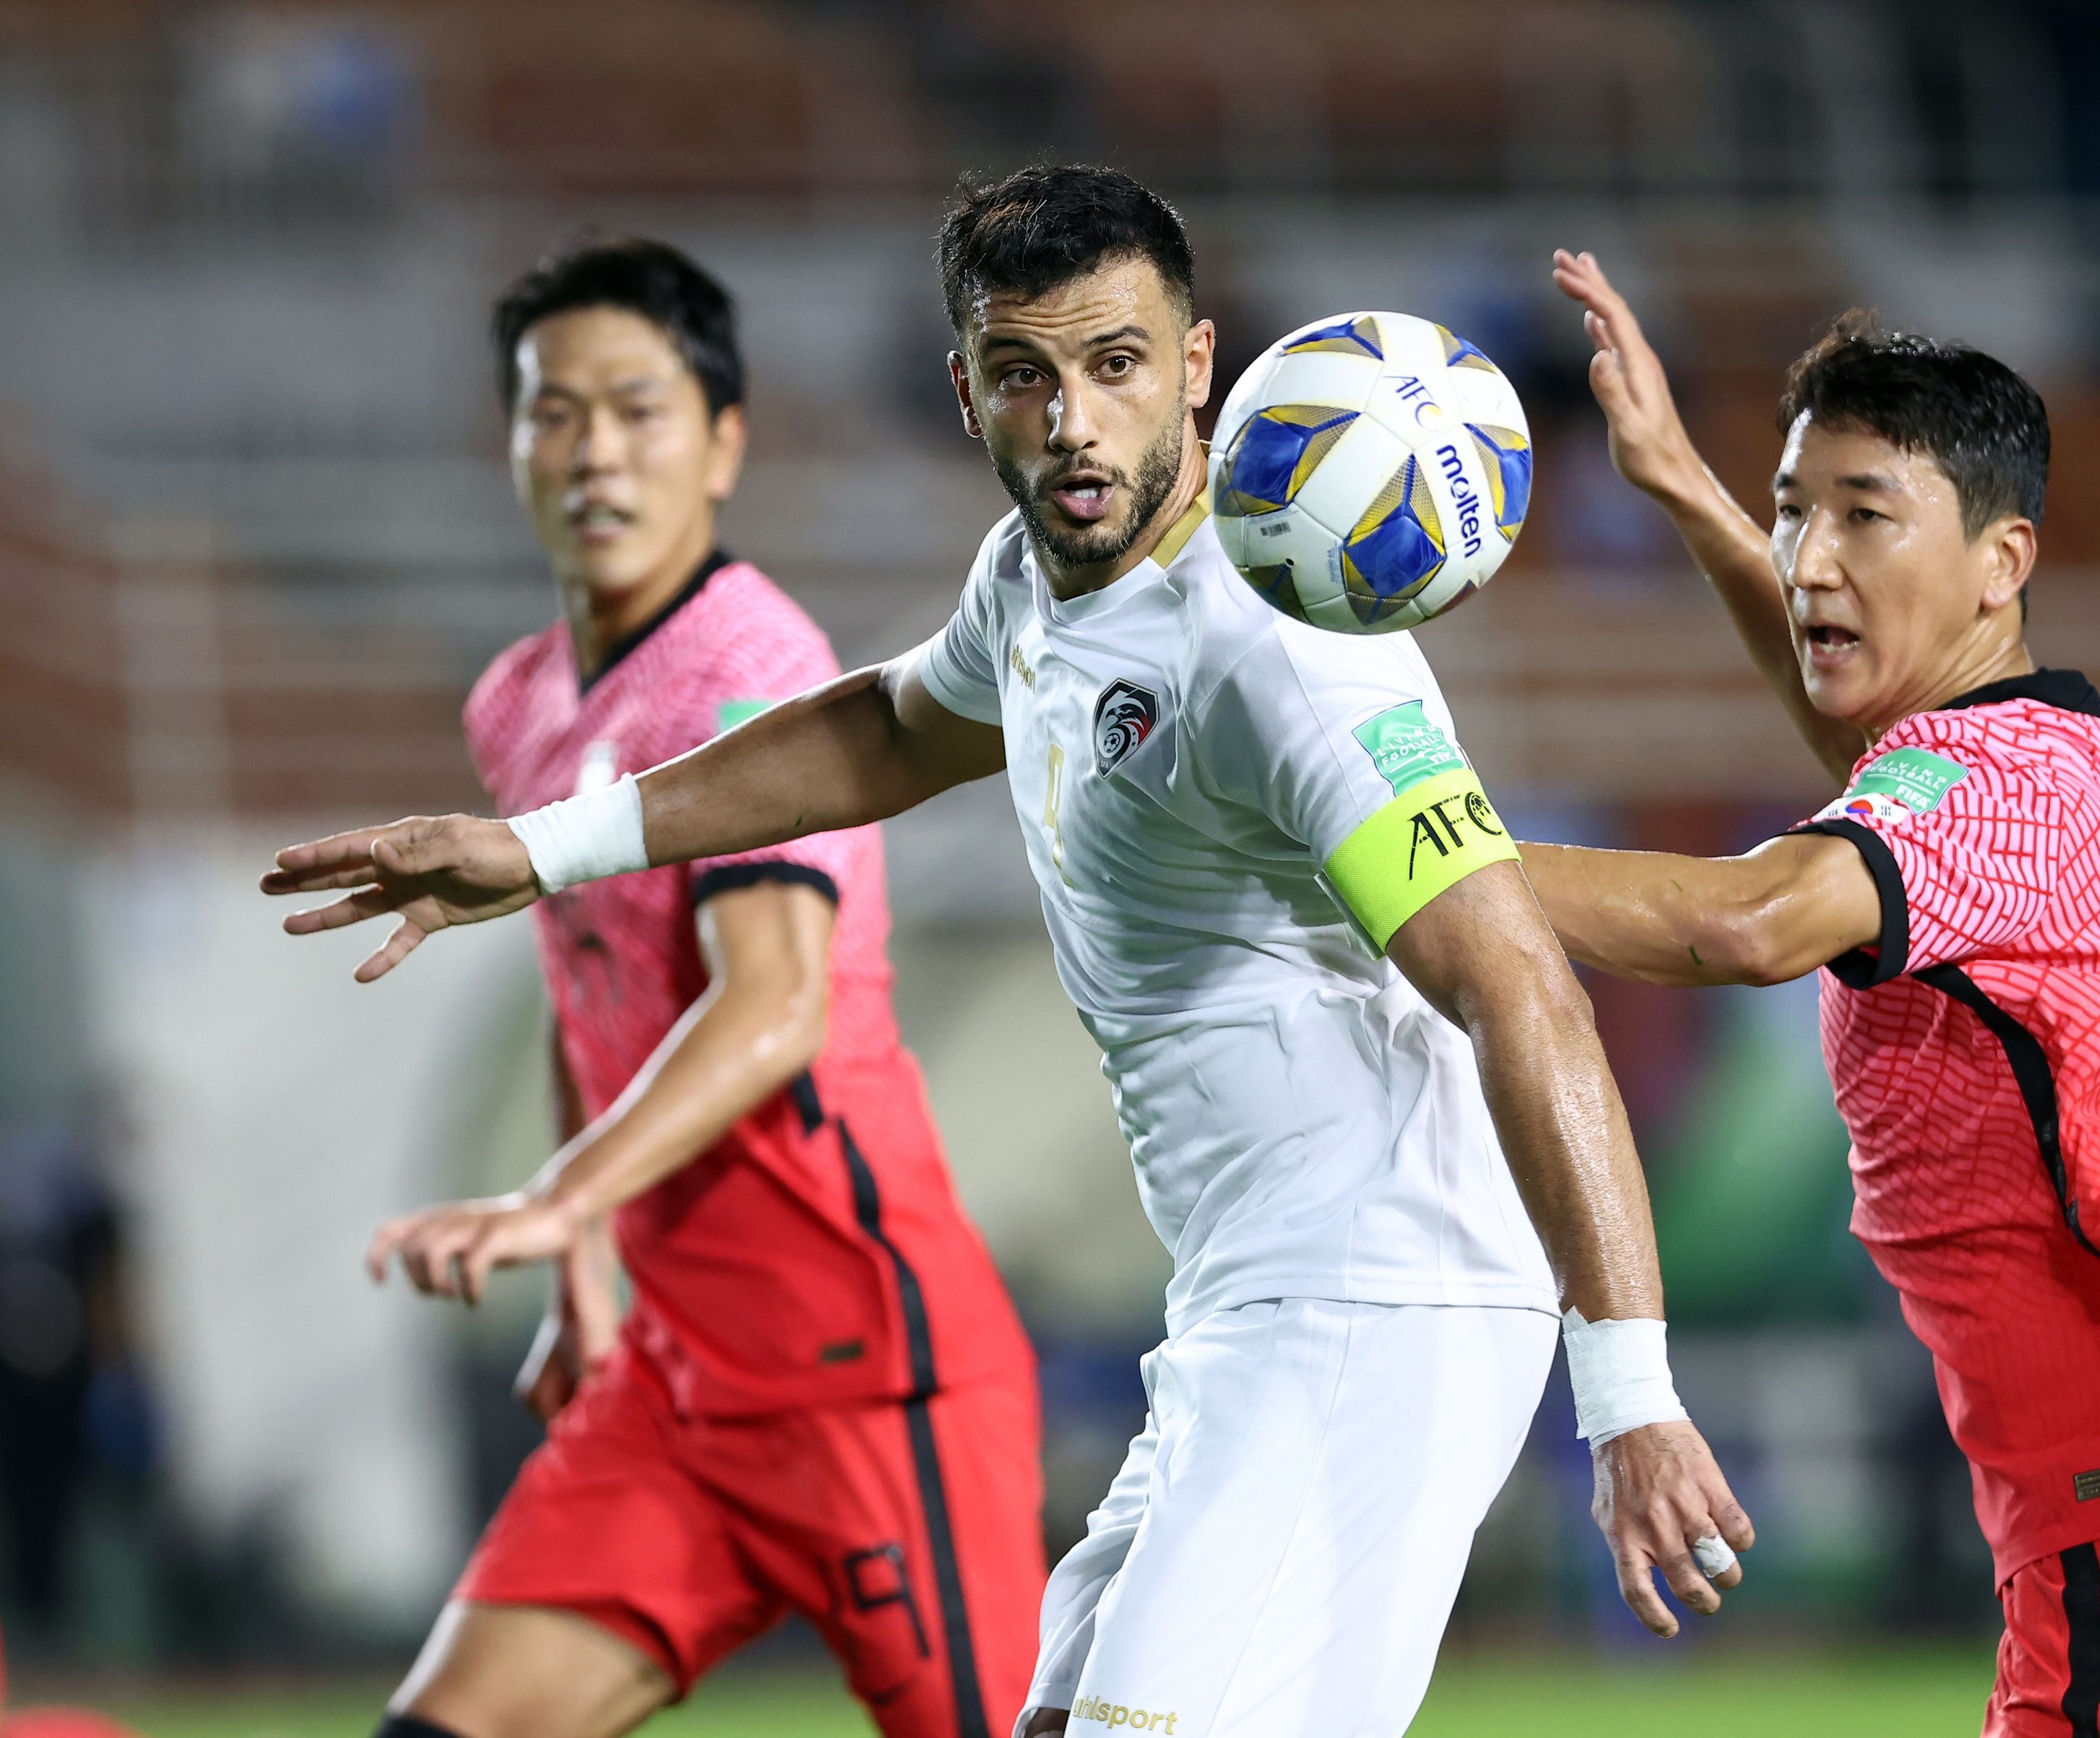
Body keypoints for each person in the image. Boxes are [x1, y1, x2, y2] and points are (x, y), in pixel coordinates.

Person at [264, 168, 1754, 1738]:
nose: (1071, 425)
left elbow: (1514, 983)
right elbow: (894, 728)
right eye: (1026, 377)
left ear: (1195, 367)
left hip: (1384, 1301)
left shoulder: (1281, 652)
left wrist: (1630, 1396)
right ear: (966, 382)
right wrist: (539, 848)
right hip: (1247, 1304)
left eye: (1115, 367)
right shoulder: (1029, 581)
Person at [1517, 251, 2100, 1737]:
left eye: (1864, 516)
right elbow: (1857, 755)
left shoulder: (1990, 793)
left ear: (2002, 560)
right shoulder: (2045, 754)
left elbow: (1754, 925)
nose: (1806, 558)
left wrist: (1390, 855)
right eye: (1796, 510)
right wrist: (1681, 485)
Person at [332, 237, 1045, 1738]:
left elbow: (772, 1002)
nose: (593, 450)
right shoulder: (519, 696)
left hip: (867, 1369)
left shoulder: (754, 668)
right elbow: (582, 988)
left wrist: (559, 1204)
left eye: (638, 409)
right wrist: (586, 1258)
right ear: (512, 441)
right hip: (673, 1380)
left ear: (722, 443)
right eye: (554, 411)